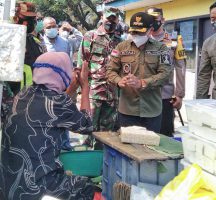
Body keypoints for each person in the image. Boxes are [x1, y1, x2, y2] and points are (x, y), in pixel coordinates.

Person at [1, 52, 98, 199]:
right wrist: (85, 87)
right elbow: (87, 125)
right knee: (89, 188)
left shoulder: (23, 94)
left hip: (8, 184)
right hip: (36, 187)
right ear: (62, 74)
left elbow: (54, 109)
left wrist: (70, 89)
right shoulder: (58, 102)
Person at [107, 12, 172, 133]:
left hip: (152, 110)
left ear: (150, 30)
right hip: (127, 110)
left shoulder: (161, 49)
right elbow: (110, 70)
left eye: (140, 32)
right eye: (133, 32)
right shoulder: (121, 47)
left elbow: (165, 73)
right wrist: (118, 81)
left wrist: (142, 83)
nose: (136, 35)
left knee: (150, 149)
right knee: (127, 148)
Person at [77, 6, 122, 149]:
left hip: (112, 94)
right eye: (108, 18)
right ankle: (84, 163)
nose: (111, 21)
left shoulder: (120, 41)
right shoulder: (90, 36)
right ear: (102, 17)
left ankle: (101, 164)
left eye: (114, 19)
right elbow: (82, 64)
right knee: (88, 129)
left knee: (107, 133)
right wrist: (81, 90)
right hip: (93, 92)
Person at [1, 1, 45, 129]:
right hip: (8, 102)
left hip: (31, 104)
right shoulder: (4, 42)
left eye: (32, 19)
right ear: (15, 18)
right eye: (25, 19)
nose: (29, 23)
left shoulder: (36, 43)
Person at [146, 7, 186, 136]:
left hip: (165, 96)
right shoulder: (141, 39)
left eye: (155, 19)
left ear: (162, 20)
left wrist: (179, 95)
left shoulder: (174, 40)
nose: (152, 22)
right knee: (145, 135)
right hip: (144, 94)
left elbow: (180, 67)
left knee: (165, 135)